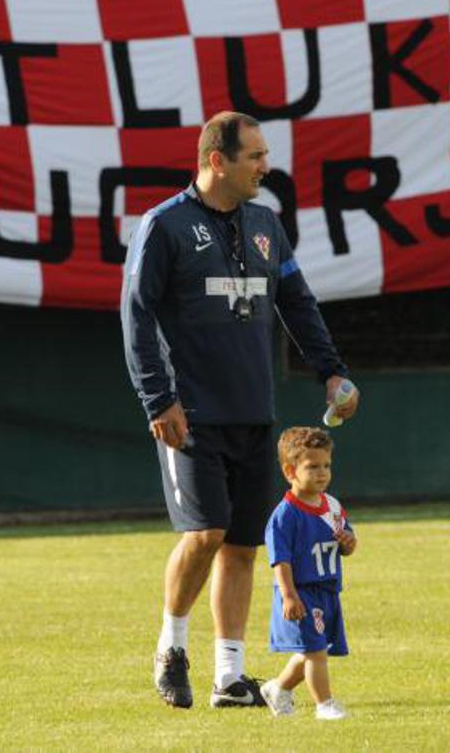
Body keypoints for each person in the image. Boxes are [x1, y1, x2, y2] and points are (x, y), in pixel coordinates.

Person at [121, 110, 359, 710]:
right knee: (205, 532)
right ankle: (171, 648)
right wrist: (159, 397)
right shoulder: (165, 226)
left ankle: (231, 676)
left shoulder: (264, 224)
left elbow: (297, 302)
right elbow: (137, 315)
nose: (265, 165)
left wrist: (331, 370)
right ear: (216, 161)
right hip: (190, 414)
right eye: (254, 155)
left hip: (253, 410)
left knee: (243, 544)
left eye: (264, 154)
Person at [259, 426, 356, 720]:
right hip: (301, 592)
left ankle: (278, 688)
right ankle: (324, 705)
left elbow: (346, 543)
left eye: (326, 465)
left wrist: (349, 543)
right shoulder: (285, 515)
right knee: (316, 653)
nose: (322, 472)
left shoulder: (333, 506)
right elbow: (281, 561)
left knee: (313, 648)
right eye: (312, 466)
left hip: (328, 591)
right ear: (290, 471)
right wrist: (288, 596)